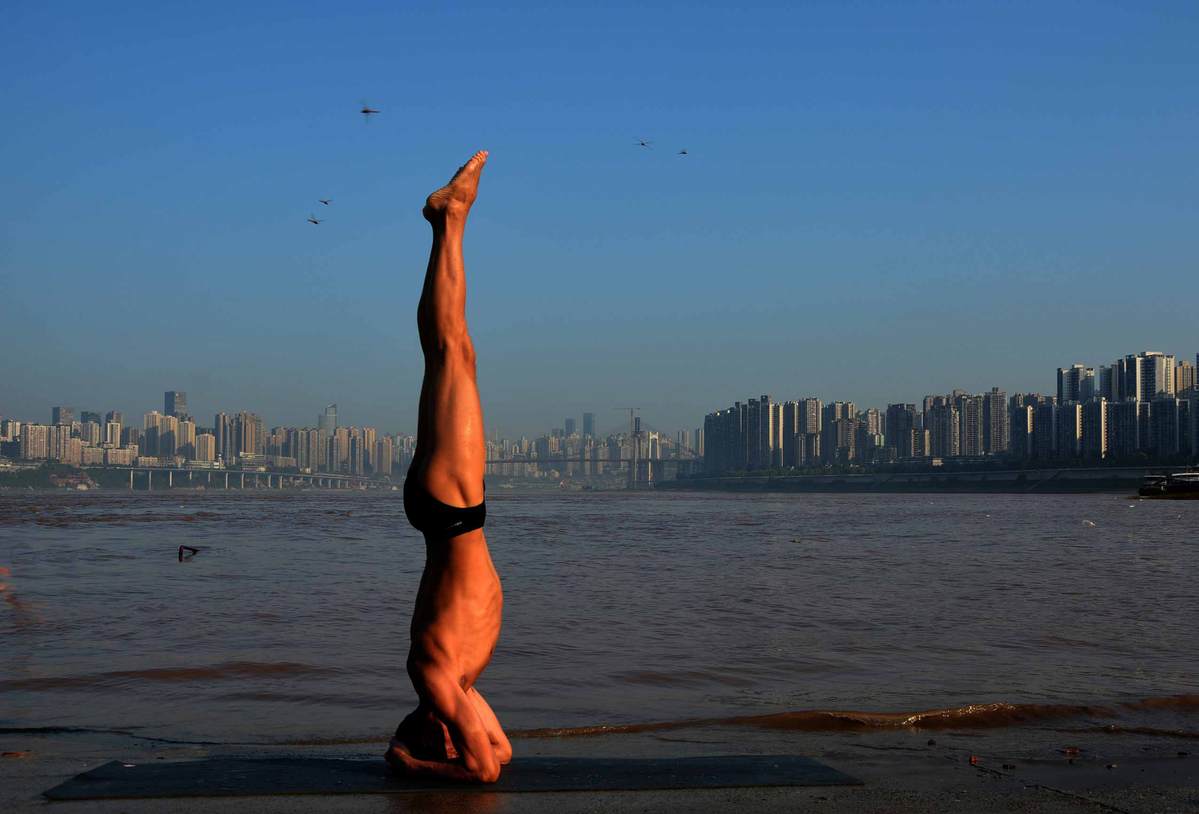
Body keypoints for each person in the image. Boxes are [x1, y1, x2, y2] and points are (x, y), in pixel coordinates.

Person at [386, 151, 512, 783]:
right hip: (454, 514)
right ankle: (449, 220)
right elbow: (502, 754)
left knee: (450, 352)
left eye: (446, 728)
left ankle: (448, 219)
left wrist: (411, 765)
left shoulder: (433, 675)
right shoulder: (457, 683)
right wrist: (453, 743)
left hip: (451, 511)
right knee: (454, 353)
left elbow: (484, 773)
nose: (461, 727)